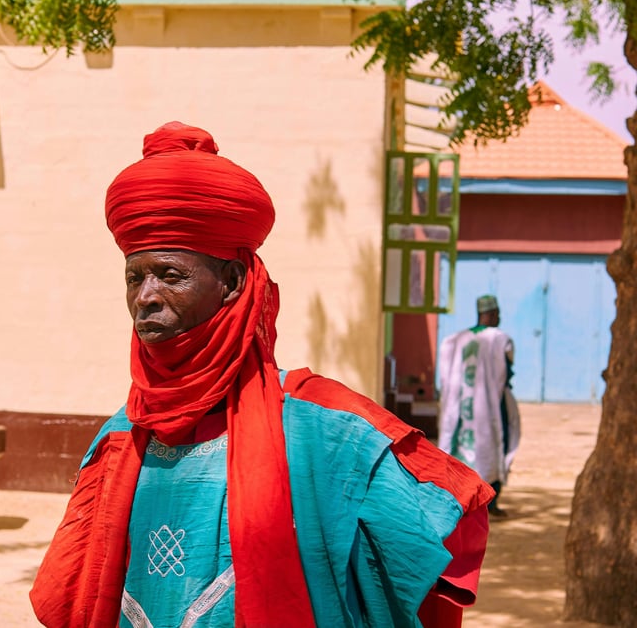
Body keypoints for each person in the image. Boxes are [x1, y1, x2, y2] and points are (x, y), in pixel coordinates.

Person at [30, 121, 494, 628]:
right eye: (133, 277)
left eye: (169, 275)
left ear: (231, 282)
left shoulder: (324, 427)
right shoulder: (119, 437)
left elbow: (448, 515)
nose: (145, 297)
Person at [437, 294, 521, 519]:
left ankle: (461, 501)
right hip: (491, 406)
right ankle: (489, 503)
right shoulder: (500, 339)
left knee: (459, 450)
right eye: (497, 314)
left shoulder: (454, 340)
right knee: (496, 446)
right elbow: (507, 371)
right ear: (492, 314)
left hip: (459, 407)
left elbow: (444, 377)